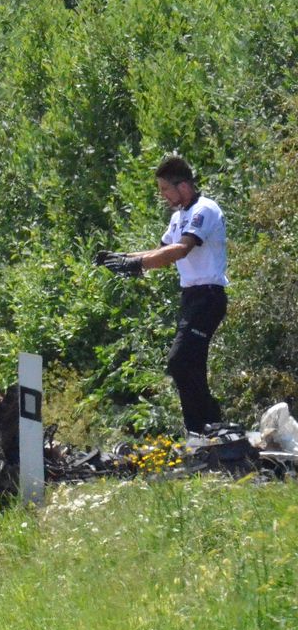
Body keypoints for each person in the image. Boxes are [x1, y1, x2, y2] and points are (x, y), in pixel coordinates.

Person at [96, 155, 229, 435]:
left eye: (165, 190)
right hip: (191, 297)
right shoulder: (178, 216)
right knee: (189, 363)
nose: (163, 196)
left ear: (182, 186)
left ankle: (205, 426)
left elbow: (180, 250)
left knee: (179, 360)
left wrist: (137, 264)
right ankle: (206, 429)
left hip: (208, 296)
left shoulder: (204, 210)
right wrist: (119, 259)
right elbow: (158, 252)